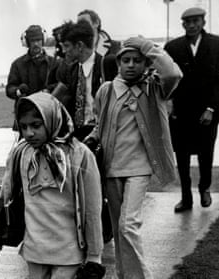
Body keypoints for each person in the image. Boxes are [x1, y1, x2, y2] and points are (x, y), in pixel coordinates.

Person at [85, 37, 182, 278]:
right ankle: (124, 275)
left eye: (137, 61)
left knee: (128, 225)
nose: (130, 65)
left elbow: (173, 74)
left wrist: (147, 46)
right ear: (118, 63)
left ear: (146, 63)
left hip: (139, 168)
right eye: (125, 60)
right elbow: (101, 124)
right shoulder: (107, 90)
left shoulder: (154, 88)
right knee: (119, 231)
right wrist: (91, 139)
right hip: (111, 168)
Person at [0, 92, 104, 279]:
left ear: (52, 119)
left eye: (36, 125)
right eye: (23, 127)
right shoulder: (21, 154)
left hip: (69, 251)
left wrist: (94, 256)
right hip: (34, 250)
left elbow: (92, 209)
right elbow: (5, 194)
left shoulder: (80, 155)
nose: (29, 133)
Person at [164, 7, 219, 213]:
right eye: (188, 22)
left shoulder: (216, 44)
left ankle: (204, 188)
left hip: (208, 111)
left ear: (203, 22)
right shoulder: (172, 47)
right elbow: (165, 77)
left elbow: (218, 82)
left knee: (206, 152)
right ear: (183, 25)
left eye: (196, 21)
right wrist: (169, 102)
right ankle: (185, 197)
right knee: (182, 155)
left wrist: (211, 108)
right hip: (180, 112)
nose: (192, 25)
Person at [52, 20, 117, 141]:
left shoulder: (107, 65)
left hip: (103, 134)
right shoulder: (71, 70)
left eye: (66, 46)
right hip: (79, 136)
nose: (64, 51)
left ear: (80, 46)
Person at [5, 25, 59, 105]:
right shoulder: (17, 64)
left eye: (38, 40)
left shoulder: (54, 63)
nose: (36, 44)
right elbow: (10, 88)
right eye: (32, 41)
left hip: (48, 109)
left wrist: (49, 90)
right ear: (27, 42)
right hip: (25, 110)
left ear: (43, 40)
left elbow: (61, 84)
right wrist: (19, 91)